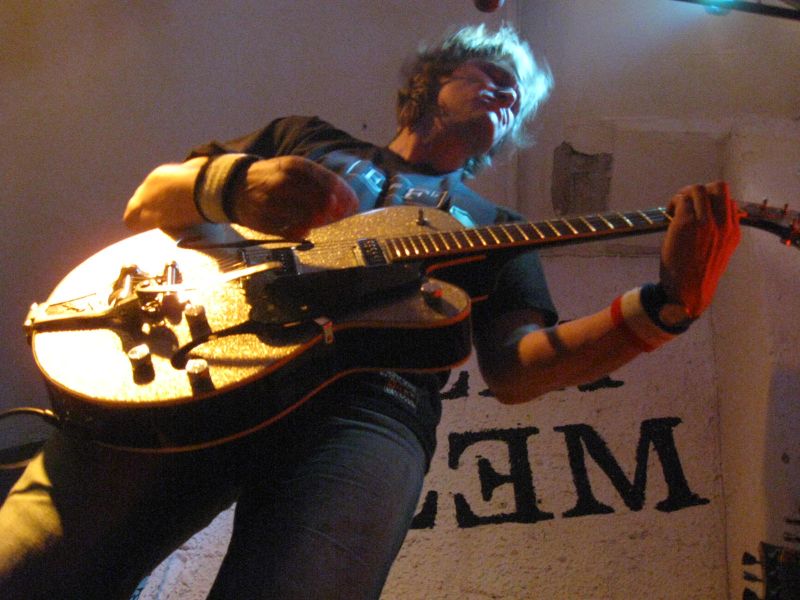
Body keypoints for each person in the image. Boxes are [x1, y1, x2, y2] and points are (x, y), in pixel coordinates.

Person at [0, 24, 740, 599]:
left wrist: (666, 307)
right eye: (491, 76)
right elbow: (149, 200)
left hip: (372, 407)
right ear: (428, 82)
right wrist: (238, 183)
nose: (506, 95)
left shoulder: (499, 227)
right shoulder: (308, 139)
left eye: (517, 97)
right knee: (30, 565)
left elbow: (518, 369)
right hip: (197, 356)